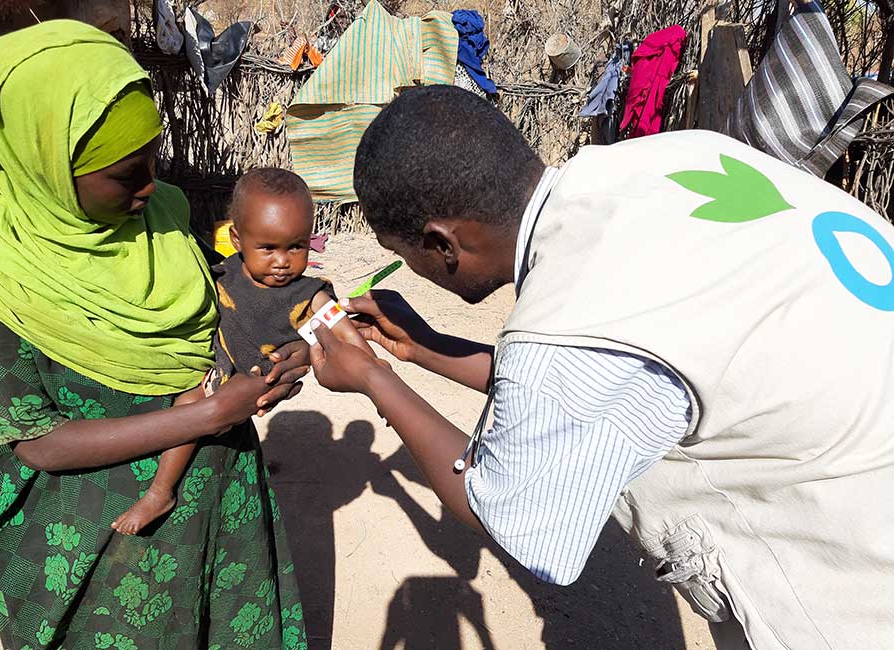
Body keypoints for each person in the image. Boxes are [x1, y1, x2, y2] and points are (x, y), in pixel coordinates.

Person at [307, 84, 894, 649]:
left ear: (442, 245)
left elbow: (512, 514)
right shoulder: (669, 158)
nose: (410, 269)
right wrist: (424, 346)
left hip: (857, 589)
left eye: (401, 255)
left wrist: (373, 379)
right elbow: (598, 389)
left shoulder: (565, 326)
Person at [0, 21, 310, 649]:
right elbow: (37, 446)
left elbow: (225, 327)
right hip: (106, 545)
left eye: (153, 161)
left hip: (223, 504)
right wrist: (208, 414)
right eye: (124, 175)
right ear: (46, 164)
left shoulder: (162, 220)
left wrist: (277, 358)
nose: (150, 186)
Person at [112, 167, 375, 534]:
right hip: (218, 364)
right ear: (237, 239)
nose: (282, 261)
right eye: (267, 248)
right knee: (187, 404)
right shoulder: (227, 270)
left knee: (189, 408)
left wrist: (378, 378)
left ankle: (160, 492)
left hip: (252, 380)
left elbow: (346, 334)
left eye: (296, 246)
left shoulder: (309, 293)